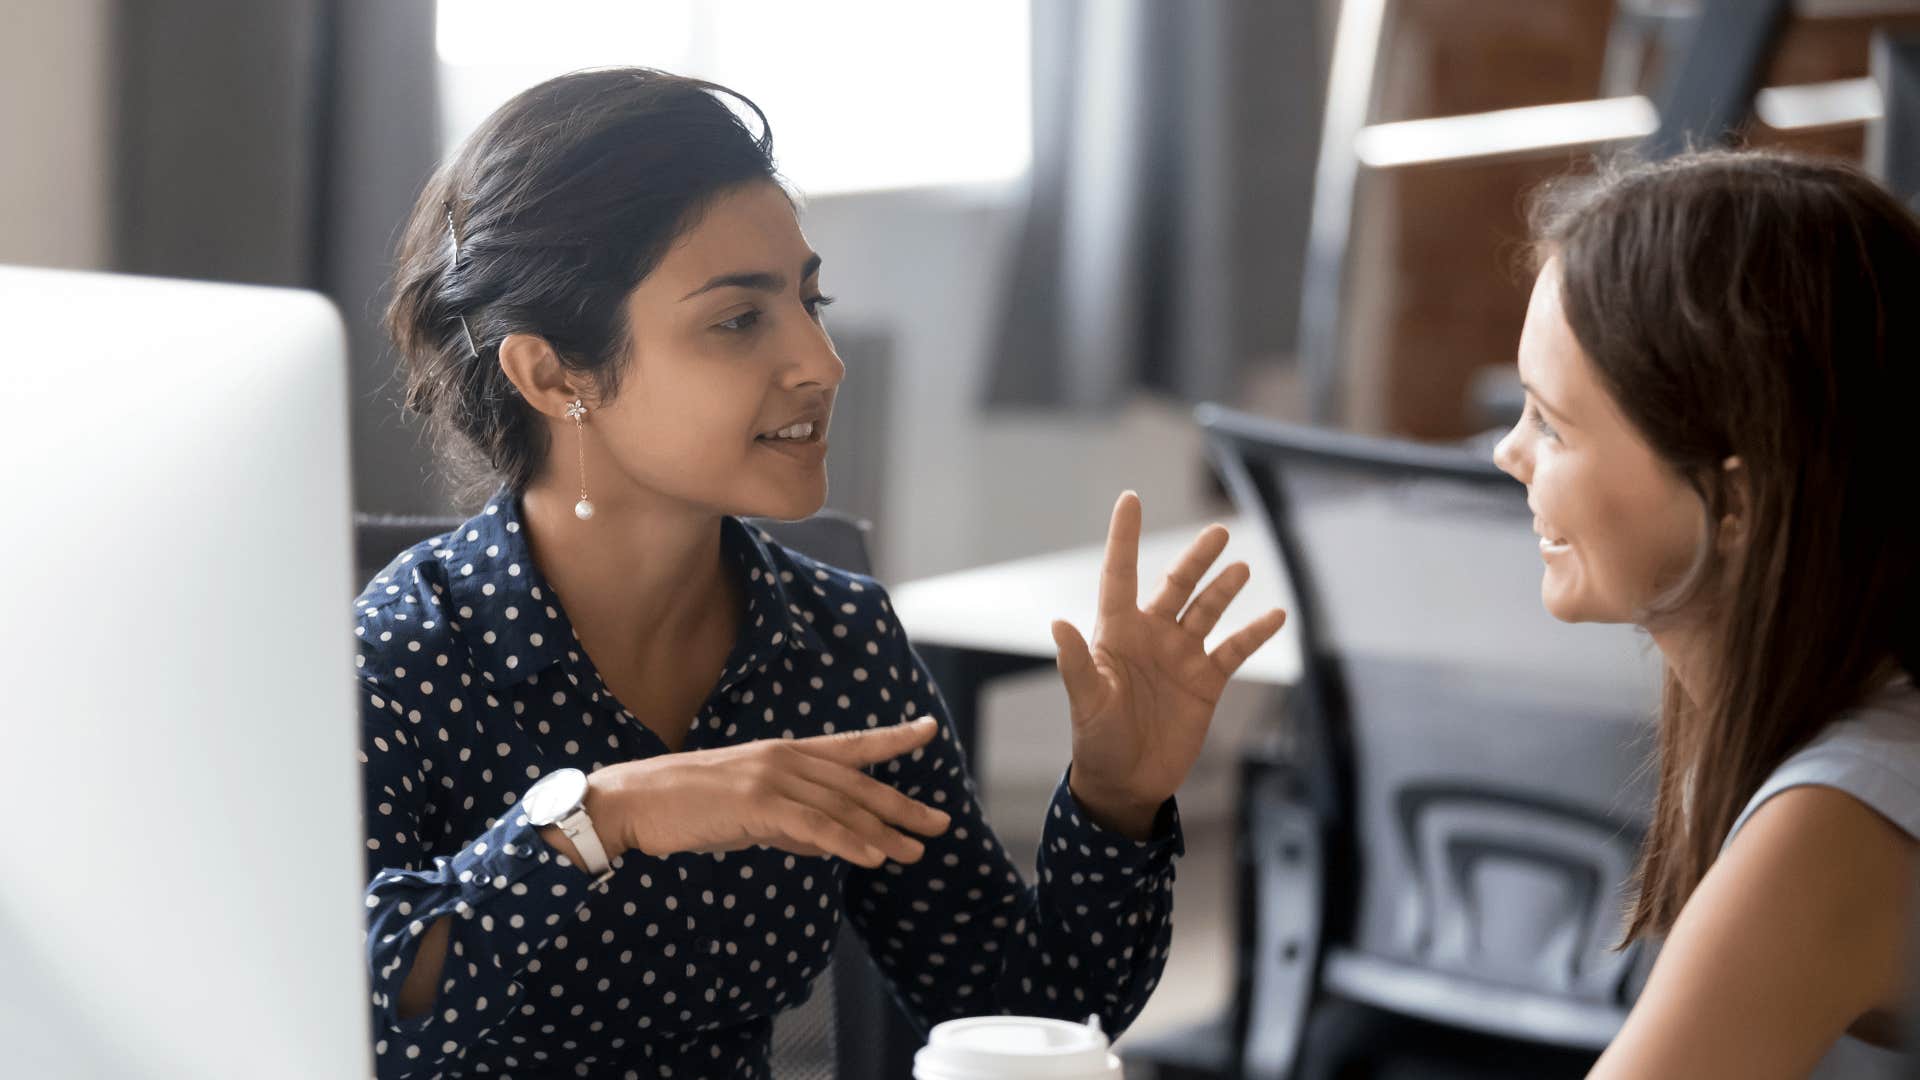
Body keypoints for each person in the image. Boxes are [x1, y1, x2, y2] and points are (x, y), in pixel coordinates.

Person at [354, 67, 1286, 1078]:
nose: (821, 359)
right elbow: (363, 1010)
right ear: (553, 375)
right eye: (739, 320)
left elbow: (1022, 1011)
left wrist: (1114, 799)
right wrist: (605, 817)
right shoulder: (405, 653)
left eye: (810, 299)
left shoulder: (835, 644)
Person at [1493, 149, 1920, 1078]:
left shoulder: (1834, 820)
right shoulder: (1820, 714)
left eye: (1551, 423)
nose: (1508, 453)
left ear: (1734, 504)